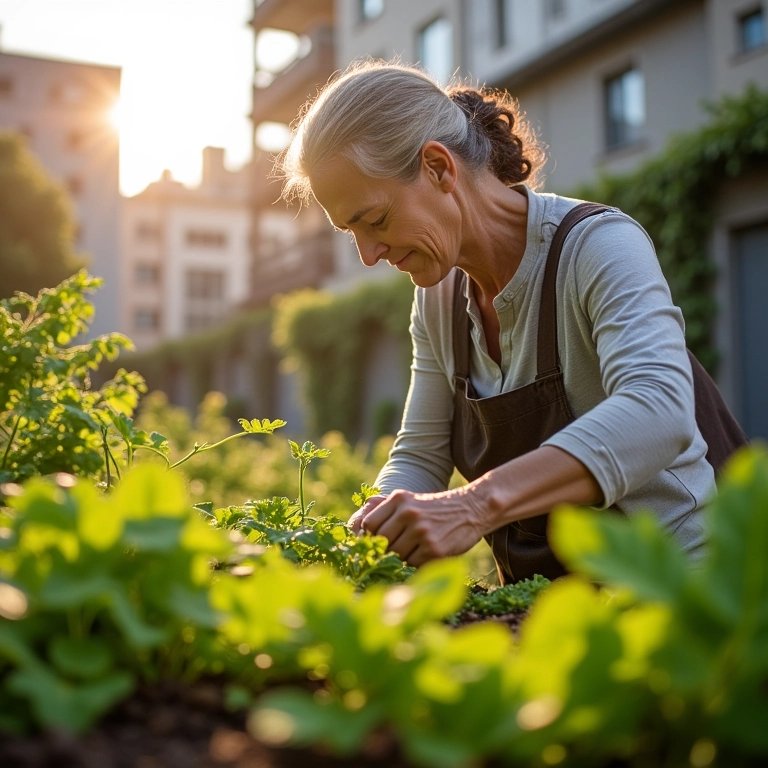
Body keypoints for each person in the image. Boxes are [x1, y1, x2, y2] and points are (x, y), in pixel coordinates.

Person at [277, 60, 714, 584]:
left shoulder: (598, 248)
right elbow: (421, 453)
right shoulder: (437, 298)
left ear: (439, 168)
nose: (369, 254)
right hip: (546, 608)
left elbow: (658, 408)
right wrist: (370, 535)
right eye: (351, 232)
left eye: (375, 221)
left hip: (674, 592)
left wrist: (473, 504)